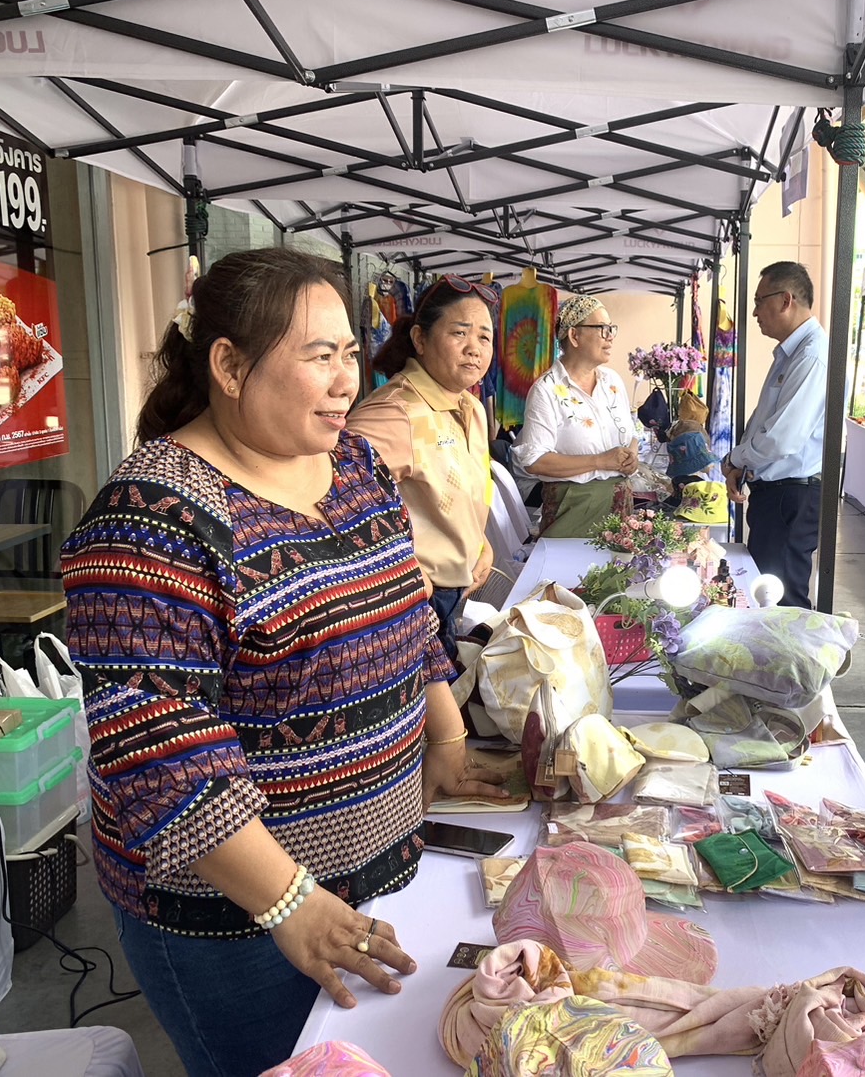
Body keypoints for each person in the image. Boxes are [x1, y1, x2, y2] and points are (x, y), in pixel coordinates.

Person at [60, 248, 507, 1077]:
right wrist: (292, 905)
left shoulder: (354, 468)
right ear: (229, 365)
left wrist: (445, 739)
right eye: (318, 357)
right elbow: (160, 750)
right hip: (239, 925)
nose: (347, 382)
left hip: (379, 883)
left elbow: (406, 610)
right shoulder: (149, 522)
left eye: (348, 352)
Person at [347, 275, 496, 660]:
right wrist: (403, 575)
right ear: (419, 339)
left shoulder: (471, 407)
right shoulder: (397, 412)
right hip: (417, 602)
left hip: (456, 590)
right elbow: (333, 502)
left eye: (484, 337)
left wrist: (480, 544)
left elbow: (460, 498)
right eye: (460, 333)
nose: (474, 349)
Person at [723, 261, 827, 608]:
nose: (754, 312)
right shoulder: (790, 352)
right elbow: (764, 421)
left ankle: (798, 663)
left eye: (759, 301)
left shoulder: (810, 355)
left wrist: (735, 458)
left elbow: (782, 439)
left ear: (785, 300)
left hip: (791, 496)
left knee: (782, 604)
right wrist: (742, 464)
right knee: (766, 594)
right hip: (777, 495)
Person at [513, 294, 639, 537]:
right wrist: (600, 461)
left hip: (620, 508)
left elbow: (630, 435)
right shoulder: (546, 389)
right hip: (573, 509)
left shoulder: (612, 381)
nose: (610, 336)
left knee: (618, 573)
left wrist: (631, 456)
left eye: (611, 328)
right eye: (602, 328)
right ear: (574, 335)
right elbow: (534, 460)